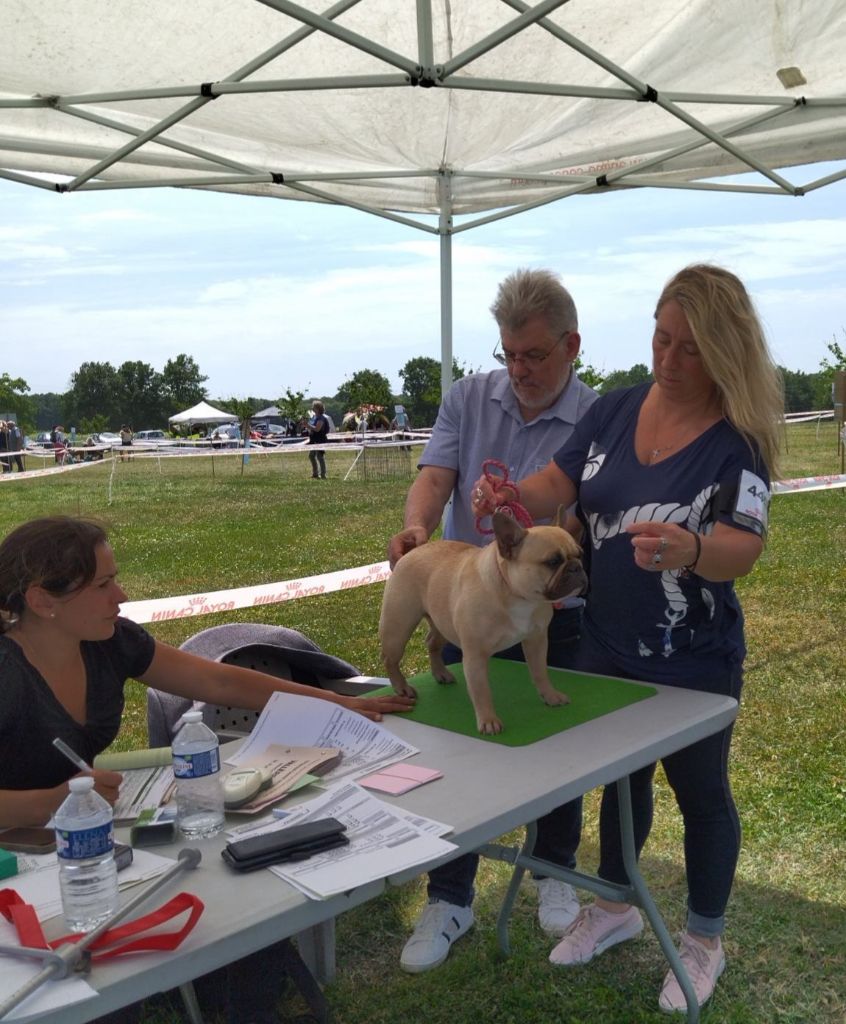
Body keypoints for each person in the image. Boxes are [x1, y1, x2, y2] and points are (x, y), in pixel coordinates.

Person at [470, 264, 782, 1012]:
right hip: (606, 642)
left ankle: (704, 939)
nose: (668, 359)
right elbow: (558, 484)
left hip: (693, 657)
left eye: (690, 349)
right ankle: (614, 906)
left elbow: (744, 547)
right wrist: (513, 496)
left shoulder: (738, 442)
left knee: (701, 795)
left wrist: (693, 549)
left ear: (725, 351)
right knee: (622, 780)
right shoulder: (615, 409)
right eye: (661, 338)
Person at [387, 268, 598, 974]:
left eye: (534, 355)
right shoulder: (466, 397)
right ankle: (450, 896)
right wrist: (417, 527)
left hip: (555, 610)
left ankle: (554, 872)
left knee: (557, 750)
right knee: (458, 756)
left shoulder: (598, 415)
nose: (519, 369)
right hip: (472, 602)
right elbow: (435, 475)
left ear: (572, 345)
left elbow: (587, 506)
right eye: (509, 354)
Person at [0, 515, 414, 829]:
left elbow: (218, 681)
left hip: (74, 837)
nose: (121, 596)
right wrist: (48, 803)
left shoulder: (111, 642)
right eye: (102, 585)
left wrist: (336, 702)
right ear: (42, 601)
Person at [305, 400, 329, 479]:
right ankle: (315, 473)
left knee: (319, 456)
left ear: (318, 408)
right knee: (311, 456)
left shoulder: (321, 418)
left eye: (314, 407)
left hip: (320, 439)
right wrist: (306, 426)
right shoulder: (314, 417)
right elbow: (311, 427)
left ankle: (323, 474)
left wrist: (308, 425)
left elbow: (317, 429)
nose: (312, 408)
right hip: (313, 439)